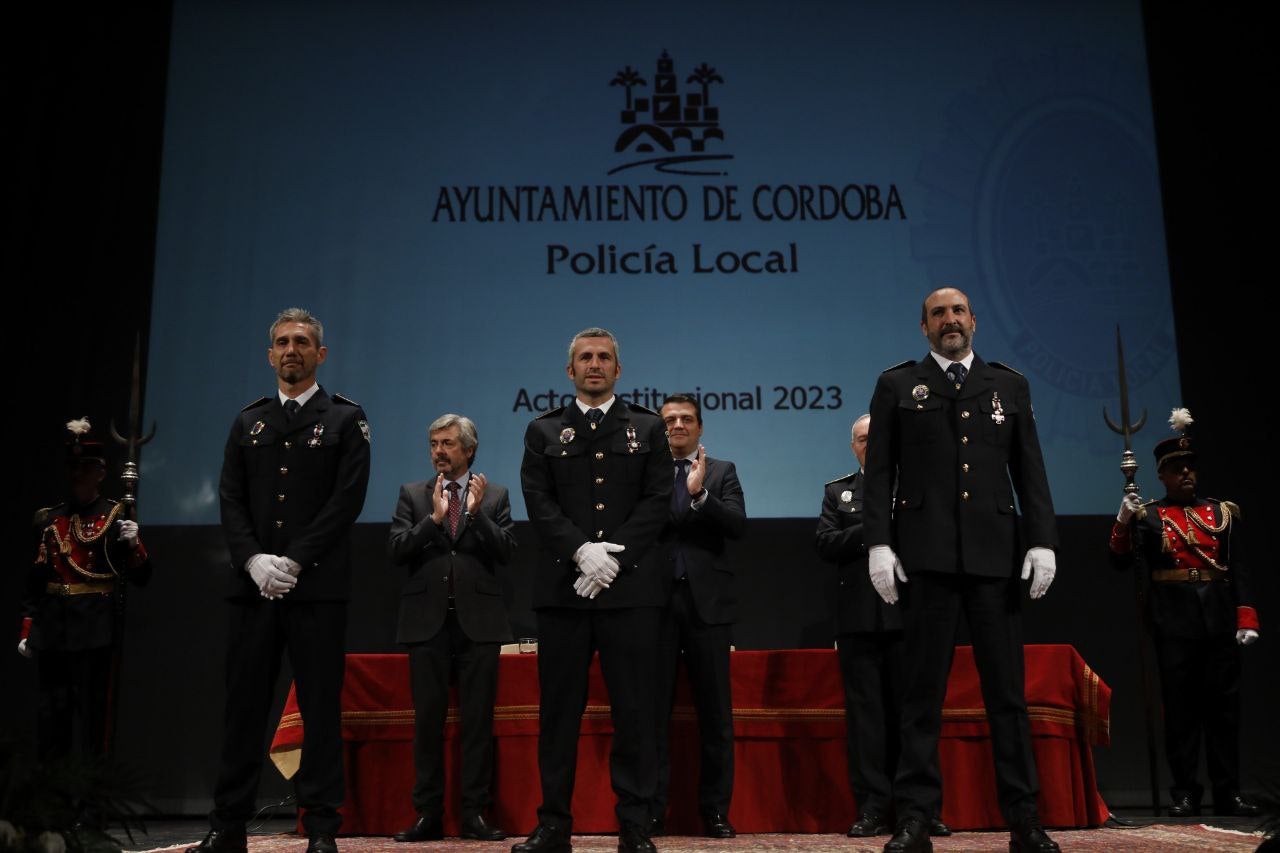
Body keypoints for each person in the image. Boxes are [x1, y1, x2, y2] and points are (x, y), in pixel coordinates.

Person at [863, 287, 1060, 853]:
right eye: (938, 315)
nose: (949, 321)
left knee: (1008, 696)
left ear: (974, 321)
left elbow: (1031, 470)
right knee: (921, 696)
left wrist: (1042, 541)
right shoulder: (897, 384)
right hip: (925, 561)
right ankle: (916, 819)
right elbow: (879, 474)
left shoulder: (1008, 384)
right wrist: (879, 544)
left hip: (995, 559)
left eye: (957, 312)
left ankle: (1024, 819)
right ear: (922, 326)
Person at [189, 308, 371, 853]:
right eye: (283, 343)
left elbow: (347, 501)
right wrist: (253, 561)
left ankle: (320, 826)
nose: (292, 350)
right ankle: (229, 825)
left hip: (315, 588)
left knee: (318, 707)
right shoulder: (250, 421)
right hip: (252, 588)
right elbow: (230, 497)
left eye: (303, 342)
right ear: (270, 355)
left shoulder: (344, 419)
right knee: (243, 707)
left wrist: (291, 562)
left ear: (322, 354)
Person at [515, 327, 672, 853]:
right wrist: (582, 552)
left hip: (630, 594)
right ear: (570, 371)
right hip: (565, 593)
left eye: (605, 357)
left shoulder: (647, 428)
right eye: (585, 357)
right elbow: (539, 503)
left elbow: (656, 503)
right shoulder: (543, 431)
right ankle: (554, 824)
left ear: (619, 370)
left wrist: (611, 558)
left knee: (635, 713)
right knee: (559, 714)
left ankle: (635, 826)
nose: (595, 364)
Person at [1109, 410, 1260, 818]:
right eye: (1177, 469)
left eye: (1190, 467)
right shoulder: (1151, 516)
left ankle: (1228, 791)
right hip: (1173, 621)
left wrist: (1246, 618)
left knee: (1224, 712)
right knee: (1181, 713)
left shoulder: (1223, 513)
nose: (1187, 474)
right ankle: (1186, 791)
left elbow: (1239, 569)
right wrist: (1123, 520)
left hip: (1218, 616)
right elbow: (1120, 560)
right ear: (1162, 475)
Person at [816, 415, 949, 840]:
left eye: (876, 437)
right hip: (860, 621)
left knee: (915, 716)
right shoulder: (838, 491)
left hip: (913, 618)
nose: (868, 445)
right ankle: (873, 807)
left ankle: (920, 809)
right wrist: (876, 531)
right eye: (861, 439)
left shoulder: (916, 489)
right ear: (853, 447)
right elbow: (825, 542)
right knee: (867, 721)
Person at [389, 413, 515, 842]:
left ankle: (474, 815)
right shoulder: (413, 494)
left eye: (447, 443)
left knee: (478, 724)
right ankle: (427, 815)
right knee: (428, 724)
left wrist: (477, 517)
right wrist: (434, 522)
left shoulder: (495, 495)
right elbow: (396, 550)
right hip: (427, 625)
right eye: (434, 444)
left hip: (479, 626)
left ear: (469, 450)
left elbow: (507, 553)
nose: (438, 451)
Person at [19, 418, 150, 760]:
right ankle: (53, 799)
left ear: (100, 473)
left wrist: (134, 544)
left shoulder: (113, 516)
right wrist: (29, 626)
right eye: (73, 467)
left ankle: (91, 801)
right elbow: (36, 578)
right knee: (51, 717)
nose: (77, 474)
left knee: (94, 719)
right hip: (53, 629)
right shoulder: (49, 519)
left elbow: (141, 576)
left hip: (94, 630)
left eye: (85, 467)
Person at [651, 394, 745, 839]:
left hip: (708, 605)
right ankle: (651, 811)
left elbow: (736, 525)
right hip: (656, 605)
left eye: (686, 419)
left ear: (700, 427)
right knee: (652, 714)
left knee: (715, 716)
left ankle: (715, 810)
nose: (677, 425)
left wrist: (701, 494)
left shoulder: (722, 471)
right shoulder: (646, 473)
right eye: (669, 420)